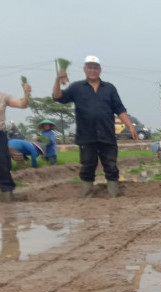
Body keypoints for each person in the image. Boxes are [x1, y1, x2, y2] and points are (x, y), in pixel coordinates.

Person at [53, 55, 136, 198]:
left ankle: (114, 195)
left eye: (95, 67)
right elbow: (58, 97)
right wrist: (57, 80)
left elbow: (120, 109)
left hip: (107, 135)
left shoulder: (109, 88)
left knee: (111, 166)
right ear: (85, 69)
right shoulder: (76, 87)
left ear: (100, 70)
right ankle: (87, 196)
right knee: (87, 167)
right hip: (86, 136)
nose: (92, 70)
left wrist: (130, 126)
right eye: (89, 67)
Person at [0, 80, 32, 202]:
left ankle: (8, 198)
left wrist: (27, 93)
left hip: (0, 134)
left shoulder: (3, 97)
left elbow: (22, 104)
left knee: (3, 165)